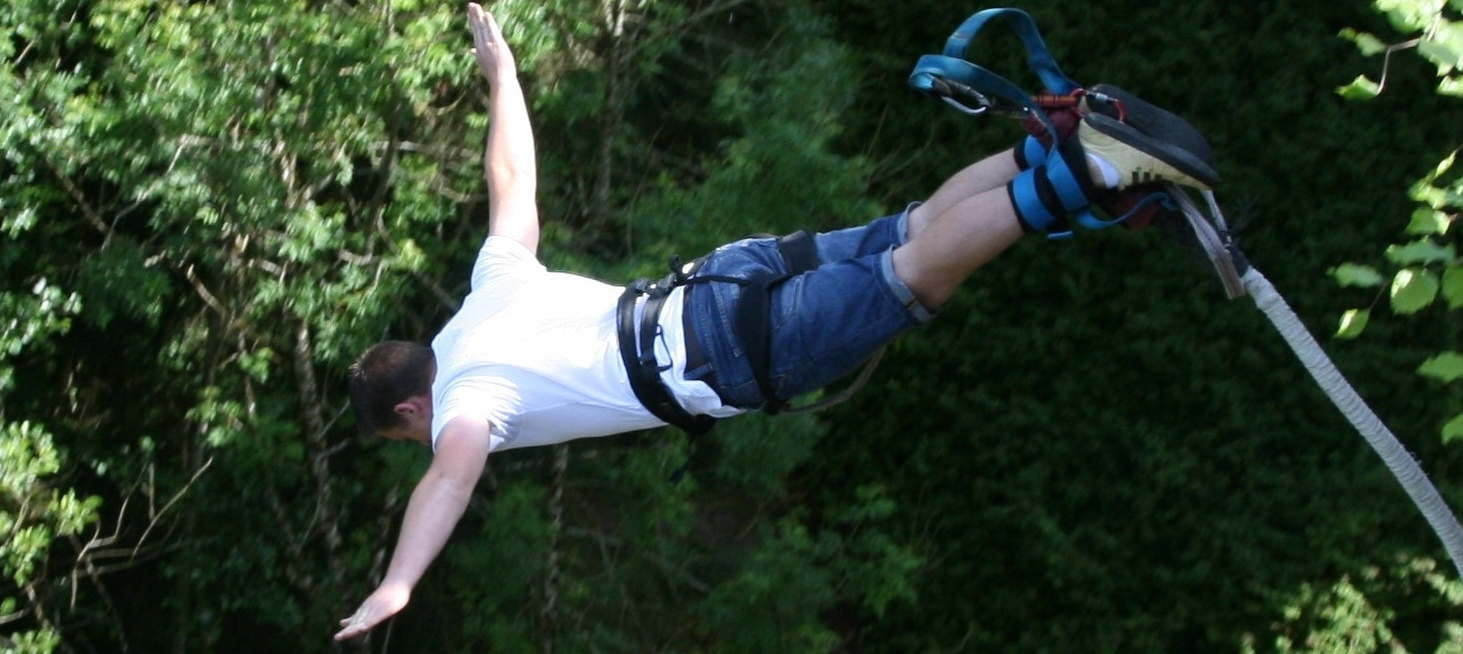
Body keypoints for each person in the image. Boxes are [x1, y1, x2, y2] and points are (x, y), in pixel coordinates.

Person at [334, 2, 1218, 641]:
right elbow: (511, 186)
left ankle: (1090, 174)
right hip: (714, 279)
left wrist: (398, 582)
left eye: (406, 440)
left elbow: (447, 483)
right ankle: (1054, 141)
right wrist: (505, 77)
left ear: (409, 411)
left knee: (912, 274)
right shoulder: (486, 291)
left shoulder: (461, 406)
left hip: (723, 354)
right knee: (907, 227)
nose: (428, 446)